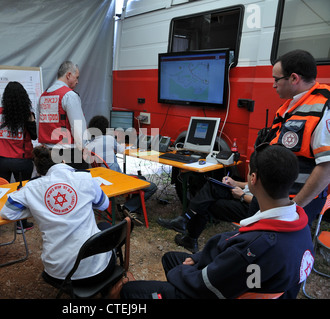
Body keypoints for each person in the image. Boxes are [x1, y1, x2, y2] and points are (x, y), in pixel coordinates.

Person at [120, 144, 314, 299]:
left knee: (131, 291)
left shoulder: (253, 247)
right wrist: (200, 258)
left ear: (253, 178)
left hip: (214, 289)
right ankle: (187, 233)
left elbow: (207, 285)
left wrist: (184, 271)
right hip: (247, 282)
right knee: (170, 258)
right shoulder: (298, 224)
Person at [0, 146, 116, 285]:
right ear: (62, 161)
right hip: (98, 271)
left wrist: (37, 208)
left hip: (58, 275)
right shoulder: (84, 178)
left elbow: (7, 212)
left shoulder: (31, 187)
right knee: (104, 226)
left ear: (38, 170)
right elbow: (103, 205)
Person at [256, 49, 330, 223]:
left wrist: (294, 207)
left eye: (276, 79)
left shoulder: (323, 109)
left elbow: (326, 167)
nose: (274, 85)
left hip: (294, 202)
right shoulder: (293, 105)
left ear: (294, 78)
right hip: (277, 197)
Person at [85, 115, 158, 225]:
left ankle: (131, 209)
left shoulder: (89, 145)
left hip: (102, 181)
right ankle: (128, 207)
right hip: (117, 179)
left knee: (141, 178)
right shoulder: (109, 139)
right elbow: (122, 150)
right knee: (152, 186)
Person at [0, 81, 37, 233]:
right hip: (21, 161)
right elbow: (34, 136)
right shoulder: (28, 115)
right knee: (21, 192)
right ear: (24, 98)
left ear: (6, 98)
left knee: (0, 193)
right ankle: (21, 225)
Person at [157, 175, 255, 253]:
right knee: (212, 187)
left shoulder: (268, 164)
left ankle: (187, 229)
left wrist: (243, 196)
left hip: (251, 206)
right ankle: (185, 224)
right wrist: (235, 183)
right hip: (245, 196)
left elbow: (266, 202)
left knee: (206, 201)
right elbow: (250, 184)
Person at [37, 61, 89, 169]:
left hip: (47, 153)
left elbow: (40, 123)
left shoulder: (43, 96)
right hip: (68, 153)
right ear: (69, 75)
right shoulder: (69, 95)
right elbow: (77, 126)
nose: (78, 81)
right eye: (77, 77)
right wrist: (85, 147)